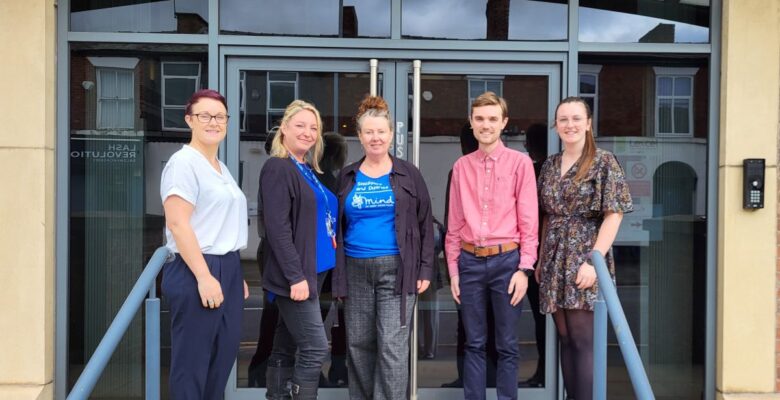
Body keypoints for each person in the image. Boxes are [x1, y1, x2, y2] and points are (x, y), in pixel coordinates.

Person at [332, 95, 434, 400]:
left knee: (391, 346)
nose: (375, 137)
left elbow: (425, 222)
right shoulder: (347, 175)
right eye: (369, 132)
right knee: (358, 344)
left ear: (391, 135)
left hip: (398, 269)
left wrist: (426, 267)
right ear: (360, 136)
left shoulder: (408, 174)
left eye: (381, 132)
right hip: (355, 268)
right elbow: (336, 225)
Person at [536, 97, 632, 400]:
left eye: (576, 118)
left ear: (588, 123)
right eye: (563, 119)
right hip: (554, 257)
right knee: (564, 337)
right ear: (556, 125)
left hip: (584, 258)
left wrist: (594, 261)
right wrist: (540, 259)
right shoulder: (550, 164)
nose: (570, 125)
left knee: (582, 339)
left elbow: (614, 213)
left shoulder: (604, 161)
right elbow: (547, 214)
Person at [445, 91, 538, 400]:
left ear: (504, 123)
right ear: (472, 123)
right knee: (473, 343)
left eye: (492, 119)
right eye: (480, 119)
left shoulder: (520, 164)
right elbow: (454, 224)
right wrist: (454, 271)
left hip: (507, 263)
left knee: (507, 345)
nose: (486, 125)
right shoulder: (461, 167)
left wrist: (525, 269)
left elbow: (529, 222)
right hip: (469, 264)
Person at [160, 89, 250, 399]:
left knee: (220, 361)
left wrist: (233, 273)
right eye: (204, 116)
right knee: (192, 365)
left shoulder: (220, 168)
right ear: (189, 120)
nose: (213, 122)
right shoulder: (183, 163)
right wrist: (204, 276)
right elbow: (177, 222)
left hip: (225, 267)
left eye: (220, 116)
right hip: (196, 267)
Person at [260, 100, 337, 400]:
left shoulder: (305, 169)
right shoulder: (278, 168)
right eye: (300, 125)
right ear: (284, 131)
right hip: (297, 276)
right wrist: (295, 276)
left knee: (287, 345)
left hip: (314, 272)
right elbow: (277, 230)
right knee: (315, 347)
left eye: (314, 128)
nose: (308, 132)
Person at [519, 123, 549, 388]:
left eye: (528, 141)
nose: (525, 146)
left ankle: (545, 374)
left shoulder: (536, 171)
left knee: (543, 320)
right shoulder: (544, 170)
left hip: (536, 256)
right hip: (541, 254)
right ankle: (547, 374)